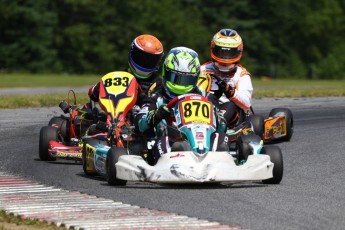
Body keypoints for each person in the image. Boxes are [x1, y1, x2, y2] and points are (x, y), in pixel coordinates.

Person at [135, 47, 228, 165]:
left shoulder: (207, 97)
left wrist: (218, 118)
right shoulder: (156, 97)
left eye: (186, 79)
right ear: (166, 73)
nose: (180, 84)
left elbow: (222, 127)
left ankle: (219, 159)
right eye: (175, 78)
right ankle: (176, 160)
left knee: (221, 138)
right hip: (171, 142)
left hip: (204, 141)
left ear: (195, 78)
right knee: (168, 143)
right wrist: (156, 115)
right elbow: (139, 123)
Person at [85, 34, 165, 134]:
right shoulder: (120, 76)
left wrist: (141, 97)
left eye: (150, 60)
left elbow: (154, 103)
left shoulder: (157, 83)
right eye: (140, 57)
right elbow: (93, 94)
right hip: (114, 117)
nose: (144, 63)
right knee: (91, 115)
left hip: (139, 124)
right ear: (132, 53)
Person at [200, 28, 253, 129]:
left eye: (229, 53)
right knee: (208, 98)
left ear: (238, 52)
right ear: (213, 49)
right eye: (221, 52)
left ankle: (217, 125)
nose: (224, 58)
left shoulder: (241, 75)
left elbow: (246, 104)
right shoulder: (202, 70)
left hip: (231, 115)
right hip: (204, 108)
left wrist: (231, 92)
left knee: (229, 105)